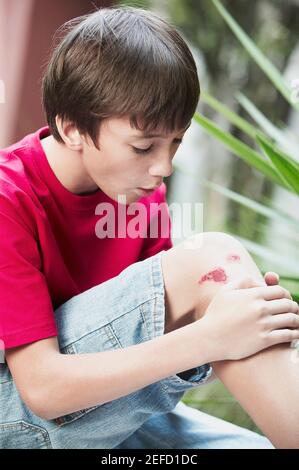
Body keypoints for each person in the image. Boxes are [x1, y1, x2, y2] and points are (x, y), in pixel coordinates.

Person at [0, 5, 298, 449]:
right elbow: (43, 390)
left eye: (176, 141)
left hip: (106, 407)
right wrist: (209, 335)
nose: (165, 166)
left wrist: (243, 322)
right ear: (72, 128)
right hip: (16, 413)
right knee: (209, 257)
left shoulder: (139, 192)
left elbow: (160, 350)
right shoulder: (9, 198)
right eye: (143, 147)